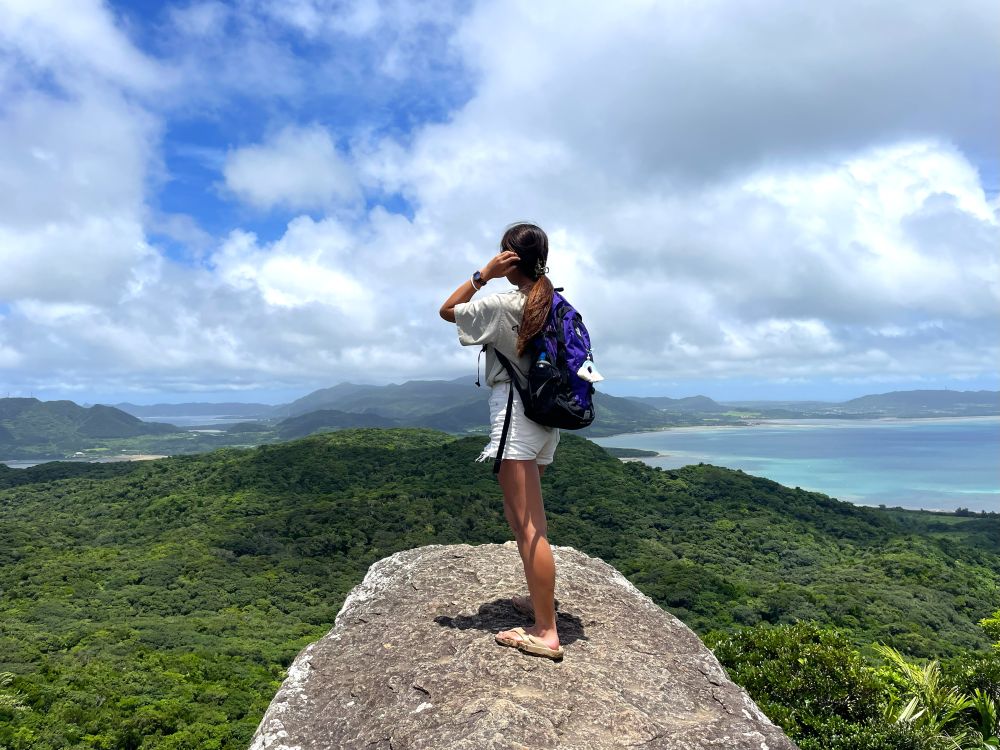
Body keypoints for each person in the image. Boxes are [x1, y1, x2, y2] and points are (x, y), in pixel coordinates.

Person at [439, 222, 564, 660]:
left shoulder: (505, 302)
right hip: (546, 419)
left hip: (515, 411)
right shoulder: (552, 301)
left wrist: (482, 275)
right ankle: (539, 601)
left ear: (511, 258)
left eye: (502, 253)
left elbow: (448, 310)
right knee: (522, 518)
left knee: (529, 525)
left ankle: (546, 632)